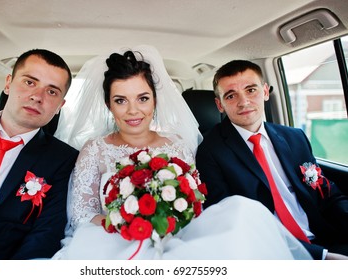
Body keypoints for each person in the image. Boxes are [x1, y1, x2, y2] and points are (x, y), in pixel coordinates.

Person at [52, 45, 311, 260]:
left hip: (177, 241)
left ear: (155, 99)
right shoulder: (95, 149)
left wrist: (167, 225)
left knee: (241, 210)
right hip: (111, 243)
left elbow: (196, 201)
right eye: (121, 100)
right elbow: (81, 216)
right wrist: (129, 224)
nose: (133, 111)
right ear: (109, 105)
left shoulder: (176, 145)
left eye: (142, 98)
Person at [195, 59, 348, 260]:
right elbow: (231, 222)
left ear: (265, 92)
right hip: (268, 250)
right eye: (231, 95)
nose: (244, 102)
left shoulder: (295, 137)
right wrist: (323, 256)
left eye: (251, 90)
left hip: (322, 232)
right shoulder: (210, 152)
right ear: (220, 105)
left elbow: (327, 193)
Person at [0, 49, 79, 260]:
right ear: (7, 84)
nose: (37, 97)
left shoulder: (65, 160)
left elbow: (46, 234)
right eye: (30, 82)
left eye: (51, 92)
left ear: (60, 106)